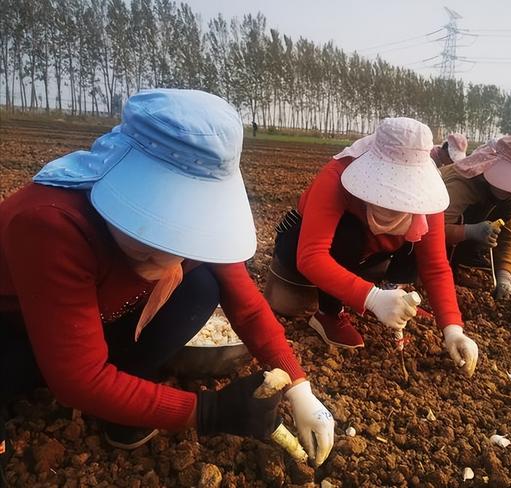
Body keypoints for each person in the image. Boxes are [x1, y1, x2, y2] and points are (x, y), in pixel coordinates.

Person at [0, 89, 334, 467]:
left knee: (200, 285)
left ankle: (122, 397)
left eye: (179, 231)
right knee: (24, 376)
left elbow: (248, 307)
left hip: (88, 319)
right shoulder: (51, 222)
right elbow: (79, 377)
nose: (164, 254)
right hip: (16, 327)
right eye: (149, 225)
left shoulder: (195, 235)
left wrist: (298, 385)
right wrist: (207, 412)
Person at [267, 117, 479, 377]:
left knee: (417, 238)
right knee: (349, 234)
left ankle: (392, 293)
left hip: (369, 255)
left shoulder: (427, 195)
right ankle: (328, 312)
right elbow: (311, 256)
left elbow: (435, 265)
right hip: (307, 244)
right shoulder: (337, 175)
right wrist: (371, 298)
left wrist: (452, 329)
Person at [440, 136, 511, 299]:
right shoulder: (463, 182)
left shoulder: (510, 195)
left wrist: (504, 278)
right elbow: (429, 230)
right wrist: (469, 231)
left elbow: (508, 236)